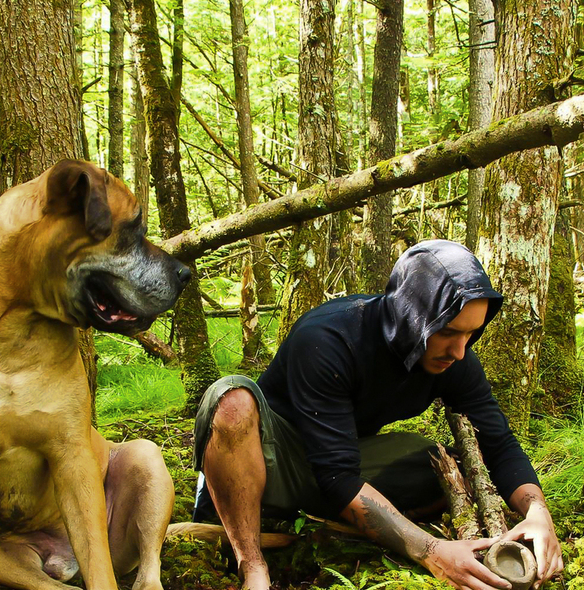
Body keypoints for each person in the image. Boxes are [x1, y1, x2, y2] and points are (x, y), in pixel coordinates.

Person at [192, 240, 563, 590]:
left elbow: (496, 443)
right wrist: (431, 551)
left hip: (339, 461)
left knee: (450, 460)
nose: (459, 351)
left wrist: (536, 512)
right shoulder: (328, 338)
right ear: (410, 316)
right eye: (448, 332)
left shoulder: (455, 360)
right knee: (232, 401)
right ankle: (252, 564)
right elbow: (336, 476)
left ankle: (324, 528)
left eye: (471, 334)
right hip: (270, 463)